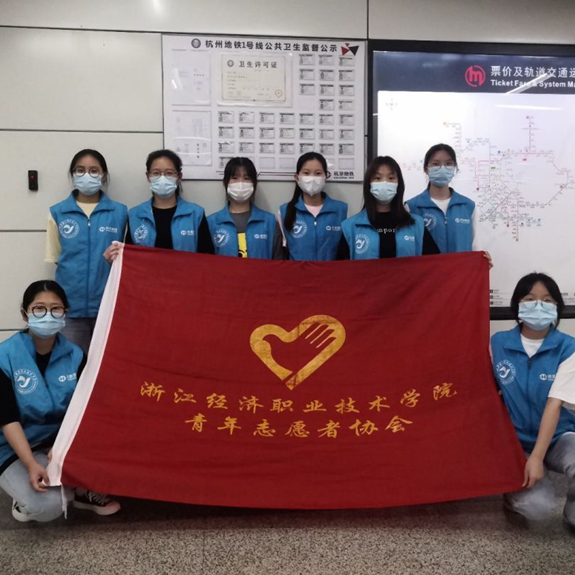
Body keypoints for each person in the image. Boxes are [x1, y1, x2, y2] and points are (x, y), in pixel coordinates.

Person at [0, 281, 120, 522]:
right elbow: (7, 419)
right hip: (14, 446)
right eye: (39, 308)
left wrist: (66, 446)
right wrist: (30, 463)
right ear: (25, 314)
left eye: (56, 309)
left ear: (65, 313)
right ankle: (24, 499)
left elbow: (85, 410)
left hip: (59, 444)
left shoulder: (75, 356)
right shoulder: (5, 356)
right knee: (48, 507)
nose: (48, 315)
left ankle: (82, 492)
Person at [491, 273, 575, 526]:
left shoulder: (568, 347)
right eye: (530, 299)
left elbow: (554, 403)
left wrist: (537, 458)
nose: (538, 305)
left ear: (557, 306)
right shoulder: (498, 343)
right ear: (517, 304)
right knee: (537, 508)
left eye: (547, 300)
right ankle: (512, 495)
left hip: (559, 436)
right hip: (516, 439)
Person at [45, 149, 128, 353]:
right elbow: (57, 258)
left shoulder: (120, 212)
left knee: (106, 363)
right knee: (73, 364)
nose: (86, 175)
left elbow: (128, 258)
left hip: (108, 305)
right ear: (72, 175)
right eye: (80, 170)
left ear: (103, 175)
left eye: (94, 170)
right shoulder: (57, 212)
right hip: (70, 308)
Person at [405, 143, 492, 266]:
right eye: (436, 164)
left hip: (461, 275)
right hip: (428, 275)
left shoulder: (468, 207)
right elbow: (407, 252)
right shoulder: (412, 207)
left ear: (454, 168)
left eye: (448, 164)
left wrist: (482, 262)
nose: (442, 168)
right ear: (426, 169)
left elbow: (476, 247)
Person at [338, 156, 440, 259]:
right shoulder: (350, 227)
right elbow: (341, 267)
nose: (384, 183)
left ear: (399, 183)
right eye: (377, 178)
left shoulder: (417, 225)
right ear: (369, 184)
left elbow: (434, 263)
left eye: (391, 178)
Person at [124, 149, 214, 253]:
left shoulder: (195, 214)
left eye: (169, 173)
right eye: (156, 173)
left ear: (179, 177)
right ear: (148, 176)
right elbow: (129, 256)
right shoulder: (135, 215)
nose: (162, 178)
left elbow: (206, 256)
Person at [275, 152, 347, 260]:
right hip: (297, 271)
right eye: (306, 173)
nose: (312, 178)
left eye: (318, 173)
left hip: (331, 270)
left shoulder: (341, 210)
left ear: (326, 176)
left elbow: (345, 253)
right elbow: (281, 254)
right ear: (297, 178)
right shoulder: (284, 212)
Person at [208, 158, 275, 259]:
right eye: (235, 177)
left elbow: (278, 262)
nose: (241, 183)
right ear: (225, 182)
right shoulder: (211, 222)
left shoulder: (269, 221)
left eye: (246, 178)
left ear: (254, 183)